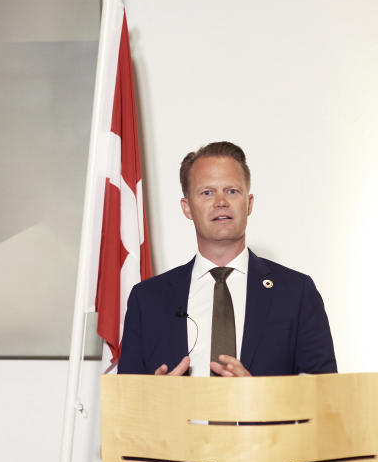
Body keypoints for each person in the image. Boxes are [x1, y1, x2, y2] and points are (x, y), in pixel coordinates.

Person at [118, 141, 336, 377]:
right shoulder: (147, 299)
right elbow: (124, 402)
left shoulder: (296, 293)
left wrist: (257, 398)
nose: (221, 201)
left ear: (249, 204)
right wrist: (156, 400)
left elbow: (324, 398)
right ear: (187, 207)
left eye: (232, 191)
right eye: (207, 192)